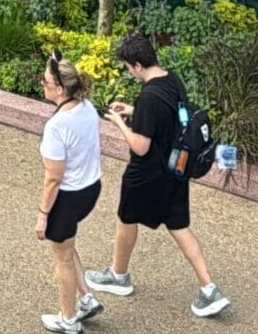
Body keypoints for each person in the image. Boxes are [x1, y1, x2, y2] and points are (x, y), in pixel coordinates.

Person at [86, 33, 229, 318]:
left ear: (137, 65)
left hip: (146, 173)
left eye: (128, 67)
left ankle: (119, 275)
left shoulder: (150, 95)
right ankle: (209, 288)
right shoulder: (171, 80)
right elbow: (170, 117)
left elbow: (140, 145)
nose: (129, 72)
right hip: (175, 170)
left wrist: (118, 122)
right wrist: (133, 111)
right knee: (179, 226)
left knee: (126, 219)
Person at [36, 55, 108, 332]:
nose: (43, 84)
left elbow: (53, 178)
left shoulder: (57, 126)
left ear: (60, 89)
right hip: (91, 189)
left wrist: (43, 215)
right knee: (67, 244)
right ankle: (86, 298)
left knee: (62, 258)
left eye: (47, 81)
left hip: (67, 197)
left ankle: (68, 319)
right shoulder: (87, 108)